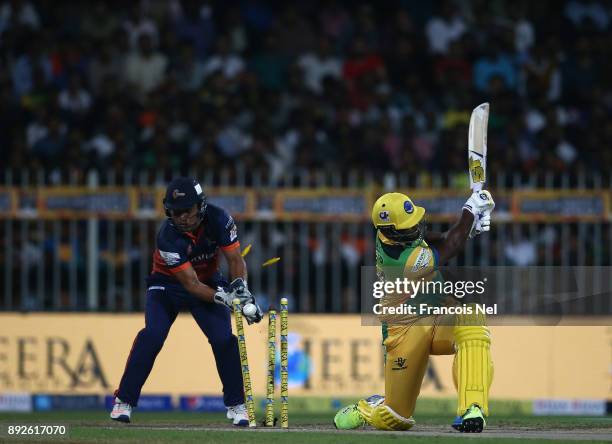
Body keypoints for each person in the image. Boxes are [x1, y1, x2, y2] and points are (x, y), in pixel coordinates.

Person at [334, 190, 495, 433]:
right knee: (395, 418)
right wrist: (470, 211)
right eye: (409, 227)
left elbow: (438, 238)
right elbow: (449, 246)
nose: (416, 228)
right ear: (391, 233)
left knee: (471, 318)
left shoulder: (391, 234)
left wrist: (468, 230)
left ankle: (473, 408)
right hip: (405, 332)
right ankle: (369, 407)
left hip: (439, 318)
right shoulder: (402, 260)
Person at [110, 177, 262, 426]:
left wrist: (242, 292)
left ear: (200, 206)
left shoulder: (220, 219)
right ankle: (123, 401)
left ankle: (237, 405)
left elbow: (235, 260)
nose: (181, 218)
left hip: (209, 279)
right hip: (167, 285)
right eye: (175, 212)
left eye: (186, 211)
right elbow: (190, 284)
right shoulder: (167, 237)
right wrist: (225, 298)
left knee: (224, 339)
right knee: (153, 335)